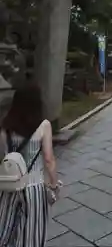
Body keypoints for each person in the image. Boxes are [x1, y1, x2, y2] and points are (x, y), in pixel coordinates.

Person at [0, 84, 59, 247]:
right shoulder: (44, 125)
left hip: (10, 186)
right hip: (34, 187)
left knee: (5, 230)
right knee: (32, 234)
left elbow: (4, 157)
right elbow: (49, 159)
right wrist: (53, 184)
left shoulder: (6, 127)